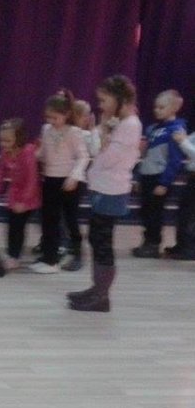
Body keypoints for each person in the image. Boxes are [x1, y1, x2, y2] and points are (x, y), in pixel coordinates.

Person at [66, 75, 141, 312]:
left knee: (102, 242)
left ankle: (101, 296)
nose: (100, 105)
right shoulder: (117, 122)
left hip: (112, 191)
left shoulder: (130, 125)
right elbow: (95, 150)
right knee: (96, 239)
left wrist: (103, 133)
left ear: (120, 100)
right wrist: (101, 129)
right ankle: (97, 288)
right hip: (102, 188)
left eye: (104, 100)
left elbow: (107, 158)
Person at [30, 89, 90, 274]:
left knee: (71, 219)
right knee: (49, 220)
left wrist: (74, 176)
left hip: (69, 182)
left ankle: (77, 254)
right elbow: (44, 153)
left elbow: (83, 157)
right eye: (48, 117)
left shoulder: (74, 132)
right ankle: (50, 258)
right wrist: (32, 155)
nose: (51, 121)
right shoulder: (46, 129)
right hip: (50, 180)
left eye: (55, 117)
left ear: (67, 114)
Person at [132, 90, 187, 258]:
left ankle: (154, 244)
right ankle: (148, 241)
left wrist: (164, 183)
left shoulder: (176, 130)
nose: (157, 110)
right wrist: (138, 177)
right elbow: (145, 156)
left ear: (175, 107)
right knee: (145, 211)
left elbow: (175, 160)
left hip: (159, 177)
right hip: (147, 175)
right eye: (156, 107)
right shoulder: (152, 129)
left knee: (155, 212)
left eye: (162, 107)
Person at [0, 118, 41, 270]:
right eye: (1, 140)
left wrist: (24, 201)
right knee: (12, 225)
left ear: (19, 138)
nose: (3, 144)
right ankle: (12, 254)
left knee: (18, 226)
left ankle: (15, 256)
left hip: (28, 196)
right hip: (14, 195)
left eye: (7, 141)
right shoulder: (5, 152)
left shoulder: (27, 152)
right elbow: (0, 173)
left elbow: (32, 179)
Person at [167, 128, 195, 259]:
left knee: (190, 215)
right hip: (192, 177)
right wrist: (183, 140)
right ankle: (182, 245)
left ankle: (189, 249)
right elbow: (186, 141)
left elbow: (186, 144)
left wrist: (183, 142)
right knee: (184, 213)